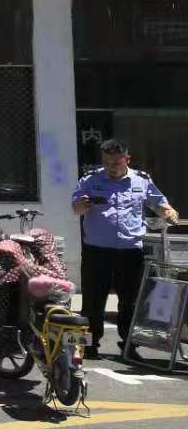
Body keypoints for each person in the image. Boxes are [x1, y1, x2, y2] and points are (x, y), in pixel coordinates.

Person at [73, 139, 180, 361]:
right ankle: (89, 346)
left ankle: (129, 346)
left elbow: (159, 204)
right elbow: (76, 207)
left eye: (116, 163)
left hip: (130, 251)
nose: (110, 168)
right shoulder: (89, 180)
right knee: (92, 301)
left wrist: (169, 212)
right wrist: (81, 206)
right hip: (96, 251)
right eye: (106, 163)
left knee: (130, 302)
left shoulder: (141, 180)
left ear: (127, 160)